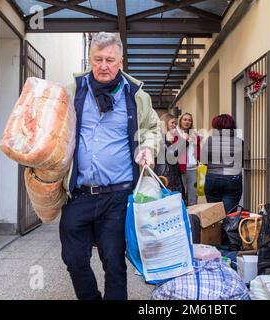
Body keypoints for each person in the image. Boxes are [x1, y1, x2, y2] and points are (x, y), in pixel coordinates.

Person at [60, 32, 160, 300]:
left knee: (114, 263)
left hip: (118, 195)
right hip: (79, 193)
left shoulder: (136, 96)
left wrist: (148, 147)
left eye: (110, 60)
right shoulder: (74, 90)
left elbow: (151, 127)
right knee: (73, 258)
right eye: (98, 59)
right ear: (90, 59)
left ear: (121, 61)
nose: (104, 66)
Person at [201, 114, 244, 213]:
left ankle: (216, 228)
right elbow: (243, 162)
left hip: (212, 179)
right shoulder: (239, 142)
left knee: (214, 214)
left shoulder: (209, 141)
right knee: (229, 214)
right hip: (232, 179)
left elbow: (204, 161)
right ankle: (228, 228)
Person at [174, 112, 200, 206]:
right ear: (180, 121)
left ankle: (193, 217)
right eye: (185, 119)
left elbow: (198, 152)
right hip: (180, 168)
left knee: (193, 194)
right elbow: (175, 152)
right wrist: (186, 140)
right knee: (180, 194)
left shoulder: (194, 134)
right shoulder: (175, 134)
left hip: (192, 168)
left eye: (189, 120)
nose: (187, 122)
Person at [154, 113, 184, 195]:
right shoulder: (161, 137)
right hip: (166, 175)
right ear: (165, 122)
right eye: (172, 123)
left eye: (175, 123)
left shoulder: (167, 136)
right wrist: (183, 141)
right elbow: (172, 155)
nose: (175, 125)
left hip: (170, 173)